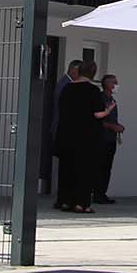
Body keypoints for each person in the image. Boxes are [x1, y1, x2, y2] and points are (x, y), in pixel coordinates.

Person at [54, 59, 113, 213]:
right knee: (85, 170)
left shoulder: (67, 89)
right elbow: (97, 114)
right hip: (86, 137)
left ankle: (65, 201)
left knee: (67, 169)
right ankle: (81, 203)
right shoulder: (92, 91)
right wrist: (108, 110)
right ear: (93, 73)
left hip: (67, 135)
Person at [51, 59, 82, 209]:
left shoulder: (65, 83)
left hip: (63, 129)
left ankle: (64, 198)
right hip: (63, 130)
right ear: (73, 70)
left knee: (66, 166)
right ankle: (63, 198)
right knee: (66, 166)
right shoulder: (66, 84)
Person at [95, 74, 125, 204]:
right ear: (107, 84)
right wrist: (112, 126)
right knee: (100, 167)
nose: (116, 85)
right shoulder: (101, 99)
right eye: (114, 83)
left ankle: (101, 193)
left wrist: (117, 127)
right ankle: (98, 194)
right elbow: (97, 119)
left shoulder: (112, 100)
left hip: (110, 139)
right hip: (102, 139)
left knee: (107, 167)